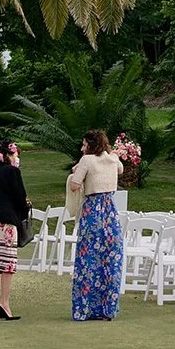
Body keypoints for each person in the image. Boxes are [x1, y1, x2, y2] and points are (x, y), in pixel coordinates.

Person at [66, 128, 124, 321]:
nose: (82, 148)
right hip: (110, 211)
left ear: (90, 145)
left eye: (84, 144)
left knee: (88, 258)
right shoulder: (113, 158)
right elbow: (120, 170)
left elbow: (74, 185)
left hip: (93, 211)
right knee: (110, 258)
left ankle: (85, 308)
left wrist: (77, 171)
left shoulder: (87, 160)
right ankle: (108, 308)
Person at [0, 139, 31, 319]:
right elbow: (19, 197)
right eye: (16, 154)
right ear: (9, 155)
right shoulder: (13, 172)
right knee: (7, 265)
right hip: (7, 222)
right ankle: (5, 304)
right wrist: (25, 206)